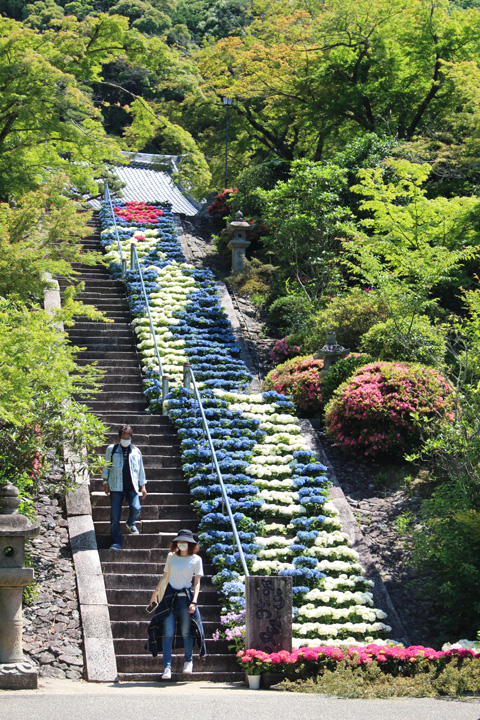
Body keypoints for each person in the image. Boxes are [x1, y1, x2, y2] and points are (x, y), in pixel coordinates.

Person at [146, 529, 206, 679]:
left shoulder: (196, 559)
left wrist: (194, 601)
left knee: (187, 631)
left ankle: (188, 661)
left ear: (191, 544)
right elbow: (165, 576)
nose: (182, 544)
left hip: (185, 599)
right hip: (169, 597)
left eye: (185, 542)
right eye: (180, 541)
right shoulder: (171, 557)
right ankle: (167, 667)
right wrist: (155, 593)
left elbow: (197, 583)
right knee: (168, 633)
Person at [102, 424, 147, 550]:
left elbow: (140, 470)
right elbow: (106, 466)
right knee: (115, 517)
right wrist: (105, 482)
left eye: (128, 437)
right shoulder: (111, 449)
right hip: (116, 486)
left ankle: (130, 522)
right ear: (119, 437)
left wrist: (142, 486)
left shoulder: (136, 451)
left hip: (132, 486)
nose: (126, 440)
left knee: (136, 507)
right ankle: (117, 542)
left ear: (131, 438)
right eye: (124, 437)